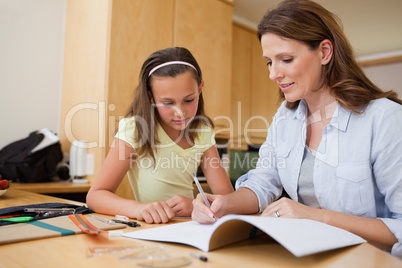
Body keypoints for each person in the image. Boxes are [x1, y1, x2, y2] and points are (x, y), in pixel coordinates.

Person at [191, 0, 402, 257]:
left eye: (286, 59)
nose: (273, 74)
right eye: (269, 62)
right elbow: (262, 183)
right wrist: (224, 203)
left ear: (324, 52)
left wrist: (316, 217)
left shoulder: (384, 119)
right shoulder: (285, 119)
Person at [87, 47, 233, 224]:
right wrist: (138, 208)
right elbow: (96, 195)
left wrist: (195, 204)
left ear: (200, 89)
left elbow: (226, 196)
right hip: (152, 228)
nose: (180, 113)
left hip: (191, 226)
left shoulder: (202, 130)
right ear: (151, 97)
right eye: (167, 103)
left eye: (188, 100)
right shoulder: (135, 129)